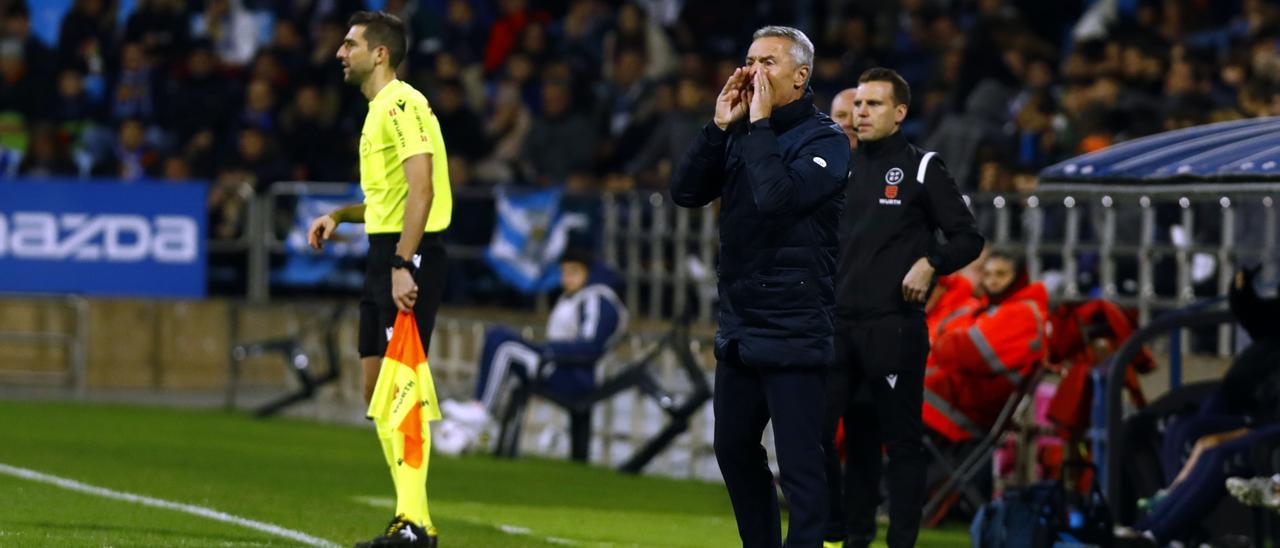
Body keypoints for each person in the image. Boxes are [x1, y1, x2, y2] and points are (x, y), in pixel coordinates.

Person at [672, 26, 850, 548]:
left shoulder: (826, 140)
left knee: (799, 465)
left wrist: (755, 128)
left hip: (795, 326)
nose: (753, 72)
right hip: (742, 325)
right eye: (749, 60)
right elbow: (684, 192)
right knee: (732, 449)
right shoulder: (741, 131)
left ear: (800, 77)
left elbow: (777, 198)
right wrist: (716, 128)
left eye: (768, 63)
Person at [306, 11, 451, 548]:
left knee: (401, 388)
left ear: (380, 53)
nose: (340, 53)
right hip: (383, 251)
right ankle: (411, 521)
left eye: (350, 44)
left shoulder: (404, 103)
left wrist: (401, 264)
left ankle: (415, 524)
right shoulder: (375, 113)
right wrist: (340, 216)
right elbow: (390, 201)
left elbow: (423, 189)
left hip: (408, 255)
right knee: (376, 388)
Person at [834, 67, 983, 548]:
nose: (861, 112)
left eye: (873, 104)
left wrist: (930, 263)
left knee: (899, 442)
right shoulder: (841, 167)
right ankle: (852, 535)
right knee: (839, 437)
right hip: (839, 326)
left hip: (892, 326)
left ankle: (899, 542)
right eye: (857, 104)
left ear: (899, 114)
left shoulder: (922, 167)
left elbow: (968, 237)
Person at [437, 249, 628, 458]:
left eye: (573, 272)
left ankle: (482, 410)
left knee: (505, 345)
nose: (566, 279)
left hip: (575, 376)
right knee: (498, 337)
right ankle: (470, 429)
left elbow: (591, 346)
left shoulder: (598, 297)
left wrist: (548, 350)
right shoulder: (573, 297)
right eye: (564, 273)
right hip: (558, 365)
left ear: (589, 273)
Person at [821, 85, 883, 548]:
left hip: (876, 325)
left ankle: (859, 530)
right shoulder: (818, 174)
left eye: (854, 113)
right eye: (839, 114)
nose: (847, 121)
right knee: (817, 428)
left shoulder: (889, 178)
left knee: (865, 434)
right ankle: (833, 520)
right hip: (827, 323)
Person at [922, 251, 1048, 444]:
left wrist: (940, 344)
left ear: (1019, 277)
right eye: (987, 274)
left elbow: (967, 350)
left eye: (1001, 274)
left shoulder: (1021, 313)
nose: (992, 281)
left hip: (961, 412)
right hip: (954, 403)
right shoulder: (996, 309)